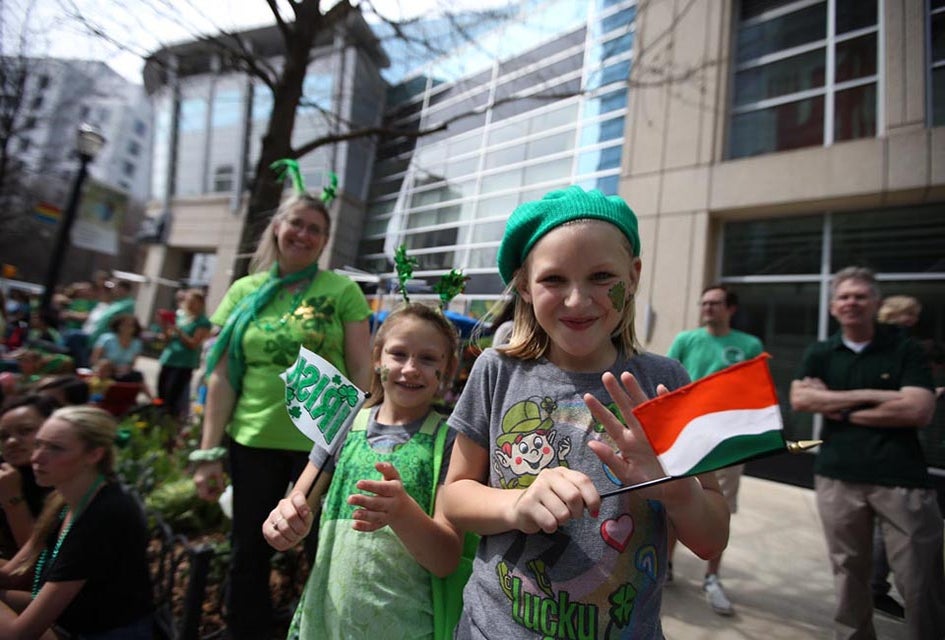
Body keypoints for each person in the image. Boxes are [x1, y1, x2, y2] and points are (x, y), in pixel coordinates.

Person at [440, 186, 730, 639]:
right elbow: (454, 498)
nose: (577, 300)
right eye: (554, 280)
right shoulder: (496, 372)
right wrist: (516, 503)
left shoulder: (666, 382)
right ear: (524, 285)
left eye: (601, 276)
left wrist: (678, 489)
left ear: (633, 276)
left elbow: (712, 537)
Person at [192, 191, 373, 639]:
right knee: (247, 552)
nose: (304, 234)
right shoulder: (242, 292)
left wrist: (363, 441)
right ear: (277, 226)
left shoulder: (342, 291)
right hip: (252, 441)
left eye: (316, 229)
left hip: (324, 449)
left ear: (325, 240)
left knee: (322, 550)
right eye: (296, 223)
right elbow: (222, 378)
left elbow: (362, 373)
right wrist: (208, 452)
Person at [264, 302, 464, 639]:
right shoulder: (342, 425)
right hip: (326, 622)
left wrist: (402, 513)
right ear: (377, 358)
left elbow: (446, 559)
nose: (411, 368)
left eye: (428, 359)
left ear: (450, 368)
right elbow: (295, 506)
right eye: (398, 354)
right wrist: (283, 526)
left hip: (405, 627)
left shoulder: (450, 442)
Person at [790, 266, 945, 640]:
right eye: (844, 297)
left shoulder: (904, 349)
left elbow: (919, 409)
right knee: (849, 574)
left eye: (860, 296)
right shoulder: (822, 352)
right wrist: (881, 396)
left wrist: (837, 405)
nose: (852, 303)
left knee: (920, 578)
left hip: (901, 479)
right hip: (837, 476)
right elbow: (800, 398)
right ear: (832, 307)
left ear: (876, 302)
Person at [0, 405, 154, 638]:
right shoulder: (63, 497)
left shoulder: (105, 515)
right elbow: (12, 574)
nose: (36, 457)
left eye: (55, 448)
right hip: (71, 622)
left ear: (94, 455)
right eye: (39, 444)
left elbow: (19, 635)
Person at [664, 284, 763, 615]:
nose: (708, 308)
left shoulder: (748, 345)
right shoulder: (686, 340)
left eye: (715, 303)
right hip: (685, 438)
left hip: (725, 444)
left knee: (720, 506)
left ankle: (711, 578)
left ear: (730, 308)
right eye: (704, 302)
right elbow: (665, 386)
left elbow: (754, 393)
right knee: (673, 502)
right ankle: (665, 566)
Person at [0, 395, 57, 561]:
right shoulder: (5, 470)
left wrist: (11, 498)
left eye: (25, 431)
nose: (11, 442)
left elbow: (36, 566)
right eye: (3, 436)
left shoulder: (64, 483)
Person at [157, 289, 211, 420]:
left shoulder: (203, 322)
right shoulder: (180, 317)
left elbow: (193, 344)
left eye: (193, 302)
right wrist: (164, 326)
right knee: (161, 392)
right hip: (169, 358)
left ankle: (170, 420)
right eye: (188, 301)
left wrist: (179, 331)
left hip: (184, 363)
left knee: (173, 395)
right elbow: (167, 338)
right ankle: (157, 416)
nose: (190, 304)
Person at [90, 314, 144, 383]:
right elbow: (94, 359)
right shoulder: (106, 339)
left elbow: (132, 364)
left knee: (138, 376)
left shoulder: (137, 343)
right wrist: (109, 368)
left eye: (131, 325)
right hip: (104, 372)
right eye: (124, 325)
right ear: (118, 326)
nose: (127, 327)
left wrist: (124, 369)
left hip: (124, 373)